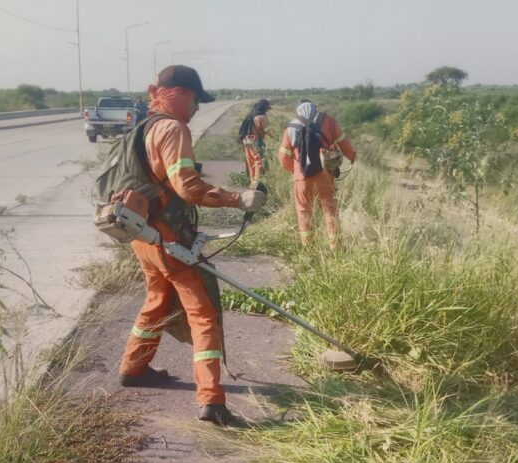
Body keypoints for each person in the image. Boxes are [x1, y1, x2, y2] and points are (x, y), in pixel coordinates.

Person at [116, 65, 267, 425]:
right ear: (179, 93)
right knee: (203, 314)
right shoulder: (172, 128)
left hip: (142, 234)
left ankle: (133, 369)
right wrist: (239, 199)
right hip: (166, 237)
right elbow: (187, 187)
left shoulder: (142, 127)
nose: (198, 106)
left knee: (156, 302)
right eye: (196, 98)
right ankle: (212, 401)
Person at [277, 100, 356, 248]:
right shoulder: (328, 121)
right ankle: (335, 247)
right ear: (315, 108)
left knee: (303, 211)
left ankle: (308, 247)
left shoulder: (291, 127)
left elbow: (283, 158)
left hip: (301, 178)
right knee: (330, 211)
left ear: (298, 111)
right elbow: (344, 143)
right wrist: (351, 157)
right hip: (324, 175)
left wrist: (295, 170)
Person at [239, 99, 273, 186]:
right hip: (255, 142)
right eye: (267, 109)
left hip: (246, 141)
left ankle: (252, 182)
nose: (267, 111)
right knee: (259, 162)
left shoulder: (250, 115)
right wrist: (278, 138)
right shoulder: (261, 117)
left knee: (251, 163)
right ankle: (257, 184)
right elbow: (269, 131)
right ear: (264, 108)